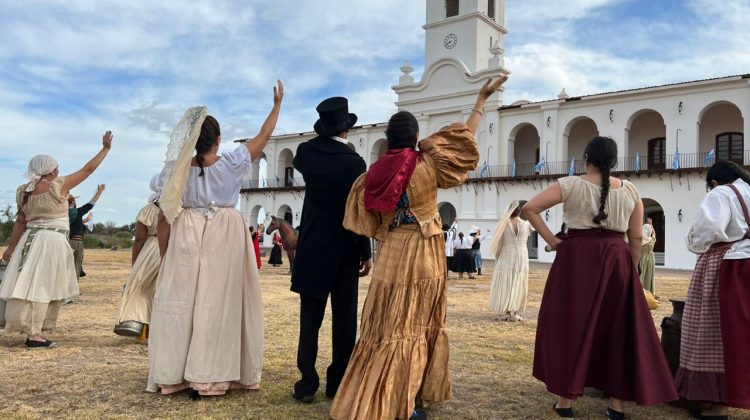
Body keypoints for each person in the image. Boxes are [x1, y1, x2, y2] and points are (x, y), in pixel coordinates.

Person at [331, 77, 503, 420]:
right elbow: (464, 142)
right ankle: (406, 404)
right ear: (414, 137)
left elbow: (361, 220)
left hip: (392, 250)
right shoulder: (428, 163)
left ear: (388, 138)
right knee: (417, 323)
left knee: (387, 325)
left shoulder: (373, 174)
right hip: (424, 249)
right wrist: (480, 101)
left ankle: (385, 397)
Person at [523, 136, 677, 420]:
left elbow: (529, 208)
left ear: (586, 158)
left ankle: (565, 402)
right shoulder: (631, 190)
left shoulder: (570, 184)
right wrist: (629, 270)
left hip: (576, 260)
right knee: (617, 331)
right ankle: (616, 407)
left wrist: (554, 241)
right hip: (617, 260)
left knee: (572, 326)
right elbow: (637, 237)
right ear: (614, 161)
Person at [147, 80, 283, 397]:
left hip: (187, 232)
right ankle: (213, 374)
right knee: (221, 304)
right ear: (218, 140)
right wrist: (276, 106)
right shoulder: (233, 162)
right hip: (226, 235)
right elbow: (263, 138)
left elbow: (164, 214)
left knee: (184, 304)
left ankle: (176, 374)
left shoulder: (175, 171)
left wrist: (165, 254)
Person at [290, 96, 372, 404]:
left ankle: (306, 382)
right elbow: (358, 211)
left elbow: (301, 159)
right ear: (346, 129)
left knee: (310, 319)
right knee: (344, 320)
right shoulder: (353, 162)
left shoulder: (306, 153)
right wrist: (365, 251)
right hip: (344, 247)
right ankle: (336, 383)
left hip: (312, 244)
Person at [0, 131, 114, 348]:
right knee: (43, 286)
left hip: (29, 241)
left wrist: (11, 247)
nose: (59, 170)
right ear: (51, 170)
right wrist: (105, 149)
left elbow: (20, 222)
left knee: (30, 285)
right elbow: (88, 170)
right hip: (51, 241)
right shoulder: (57, 185)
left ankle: (33, 330)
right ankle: (35, 335)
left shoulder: (22, 191)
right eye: (57, 167)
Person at [677, 160, 750, 418]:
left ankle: (717, 403)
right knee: (741, 333)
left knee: (714, 330)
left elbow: (706, 230)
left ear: (715, 182)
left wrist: (693, 242)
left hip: (727, 266)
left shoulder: (722, 193)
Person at [114, 174, 163, 339]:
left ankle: (138, 325)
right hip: (172, 248)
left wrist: (135, 262)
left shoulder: (148, 210)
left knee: (141, 288)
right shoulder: (180, 208)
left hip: (151, 250)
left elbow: (140, 238)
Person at [488, 201, 533, 322]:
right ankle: (515, 311)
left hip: (507, 254)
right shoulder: (526, 224)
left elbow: (498, 242)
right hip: (522, 255)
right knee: (518, 280)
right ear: (519, 212)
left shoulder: (503, 225)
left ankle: (508, 310)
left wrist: (497, 256)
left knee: (506, 282)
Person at [68, 184, 105, 280]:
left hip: (65, 242)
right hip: (76, 243)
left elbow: (74, 224)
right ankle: (72, 289)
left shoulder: (61, 214)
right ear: (72, 201)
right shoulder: (77, 212)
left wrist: (85, 220)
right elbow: (91, 203)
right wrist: (100, 192)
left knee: (65, 266)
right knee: (75, 266)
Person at [638, 217, 656, 294]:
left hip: (642, 257)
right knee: (649, 275)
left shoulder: (640, 240)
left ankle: (640, 291)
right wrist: (651, 225)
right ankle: (649, 292)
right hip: (651, 258)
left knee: (641, 274)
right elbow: (654, 233)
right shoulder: (652, 239)